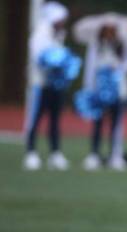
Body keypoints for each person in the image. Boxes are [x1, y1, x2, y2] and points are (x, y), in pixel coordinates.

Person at [23, 1, 80, 171]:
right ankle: (31, 153)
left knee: (55, 119)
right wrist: (57, 61)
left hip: (56, 86)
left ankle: (55, 153)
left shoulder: (59, 34)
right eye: (61, 19)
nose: (63, 22)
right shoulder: (40, 34)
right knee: (35, 119)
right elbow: (41, 59)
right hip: (40, 84)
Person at [78, 23, 127, 171]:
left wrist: (118, 66)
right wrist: (89, 88)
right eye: (107, 31)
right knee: (98, 123)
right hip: (100, 90)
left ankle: (115, 155)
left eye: (112, 31)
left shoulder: (122, 45)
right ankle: (94, 155)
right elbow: (90, 67)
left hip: (119, 91)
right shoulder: (96, 46)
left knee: (116, 125)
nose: (110, 34)